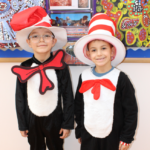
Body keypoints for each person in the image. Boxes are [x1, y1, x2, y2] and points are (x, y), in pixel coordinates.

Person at [10, 6, 74, 150]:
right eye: (35, 36)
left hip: (55, 119)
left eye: (46, 35)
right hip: (32, 120)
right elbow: (19, 97)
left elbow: (68, 96)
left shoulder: (61, 66)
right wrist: (22, 124)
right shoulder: (24, 67)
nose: (41, 40)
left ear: (53, 41)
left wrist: (67, 123)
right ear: (29, 42)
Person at [74, 13, 138, 150]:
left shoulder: (121, 78)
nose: (99, 54)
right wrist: (79, 130)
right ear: (88, 54)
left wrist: (127, 136)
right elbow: (78, 106)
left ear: (112, 51)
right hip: (88, 135)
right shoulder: (84, 76)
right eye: (94, 50)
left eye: (103, 48)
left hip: (114, 136)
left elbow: (131, 110)